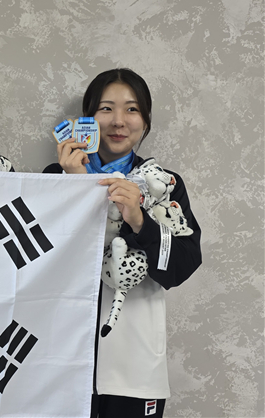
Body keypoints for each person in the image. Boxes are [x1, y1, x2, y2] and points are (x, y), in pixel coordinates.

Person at [43, 69, 201, 418]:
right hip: (60, 358)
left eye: (131, 109)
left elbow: (182, 265)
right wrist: (75, 187)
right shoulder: (55, 177)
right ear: (87, 119)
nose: (118, 121)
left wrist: (139, 220)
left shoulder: (165, 185)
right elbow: (39, 262)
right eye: (105, 109)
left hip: (134, 361)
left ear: (145, 121)